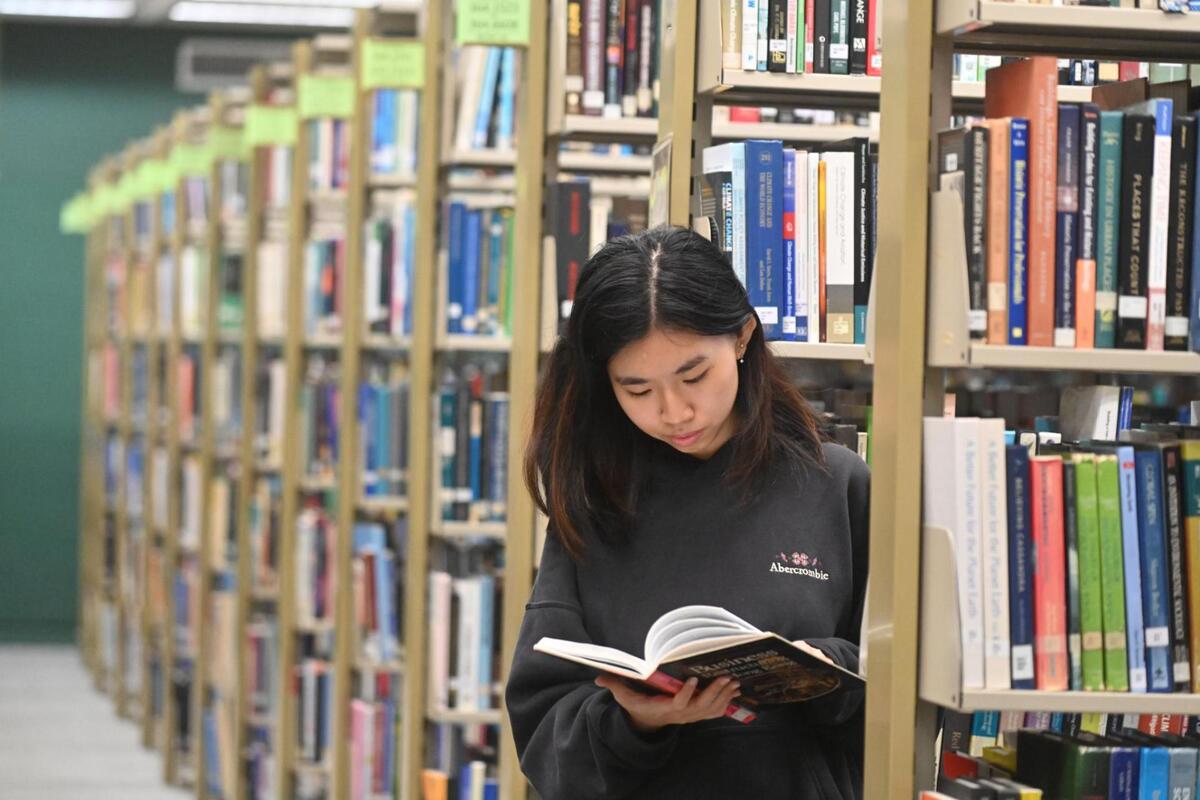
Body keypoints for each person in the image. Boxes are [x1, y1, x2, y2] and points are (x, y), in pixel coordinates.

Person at [505, 226, 870, 800]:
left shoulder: (838, 484)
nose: (673, 411)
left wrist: (818, 670)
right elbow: (543, 733)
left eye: (694, 375)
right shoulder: (597, 498)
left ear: (744, 337)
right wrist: (636, 723)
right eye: (637, 390)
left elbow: (900, 702)